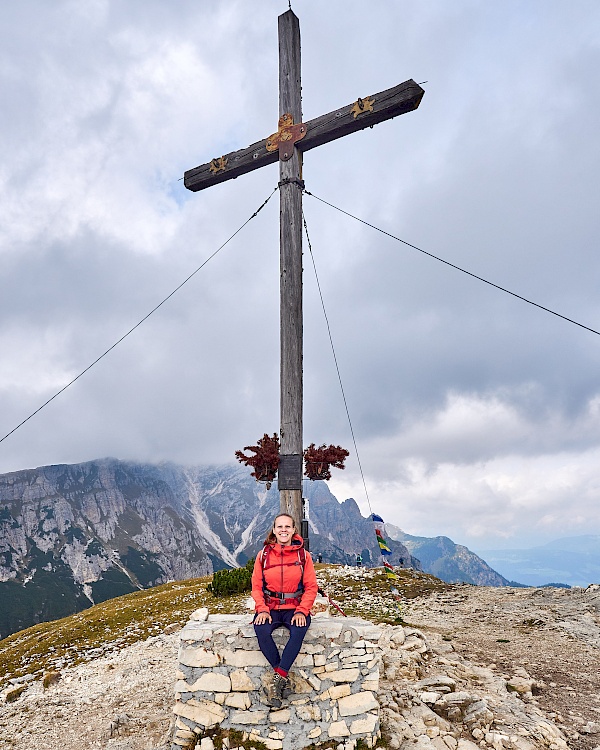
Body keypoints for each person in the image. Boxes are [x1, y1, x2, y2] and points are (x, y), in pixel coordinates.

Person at [251, 513, 318, 706]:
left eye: (287, 527)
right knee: (261, 629)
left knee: (299, 630)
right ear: (273, 530)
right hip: (270, 607)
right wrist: (262, 609)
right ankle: (282, 677)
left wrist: (301, 611)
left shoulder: (303, 556)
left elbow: (311, 587)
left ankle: (276, 681)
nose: (283, 530)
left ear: (294, 530)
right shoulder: (263, 555)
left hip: (294, 607)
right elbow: (256, 586)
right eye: (279, 527)